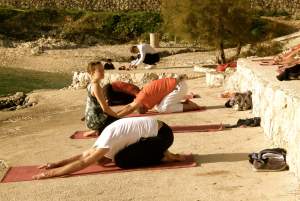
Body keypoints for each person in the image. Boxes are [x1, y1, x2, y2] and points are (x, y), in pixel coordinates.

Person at [32, 117, 185, 180]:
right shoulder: (102, 141)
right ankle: (158, 151)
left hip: (163, 137)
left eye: (102, 161)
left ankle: (164, 156)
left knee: (122, 161)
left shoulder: (106, 144)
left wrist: (50, 173)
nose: (105, 163)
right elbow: (84, 155)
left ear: (102, 155)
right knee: (121, 156)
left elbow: (83, 163)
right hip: (159, 130)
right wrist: (56, 163)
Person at [117, 75, 201, 117]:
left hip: (179, 86)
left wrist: (116, 117)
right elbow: (129, 106)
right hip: (177, 87)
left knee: (163, 109)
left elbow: (131, 108)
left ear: (141, 105)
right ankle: (185, 104)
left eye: (145, 110)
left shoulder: (142, 98)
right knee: (158, 107)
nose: (148, 109)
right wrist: (114, 113)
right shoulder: (140, 98)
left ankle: (191, 106)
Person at [83, 61, 120, 137]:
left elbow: (93, 104)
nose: (103, 72)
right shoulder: (96, 86)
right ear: (92, 73)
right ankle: (99, 130)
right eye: (100, 71)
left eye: (103, 70)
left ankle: (97, 130)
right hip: (95, 121)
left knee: (116, 120)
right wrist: (117, 116)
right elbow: (105, 109)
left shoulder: (91, 84)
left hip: (90, 119)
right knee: (121, 123)